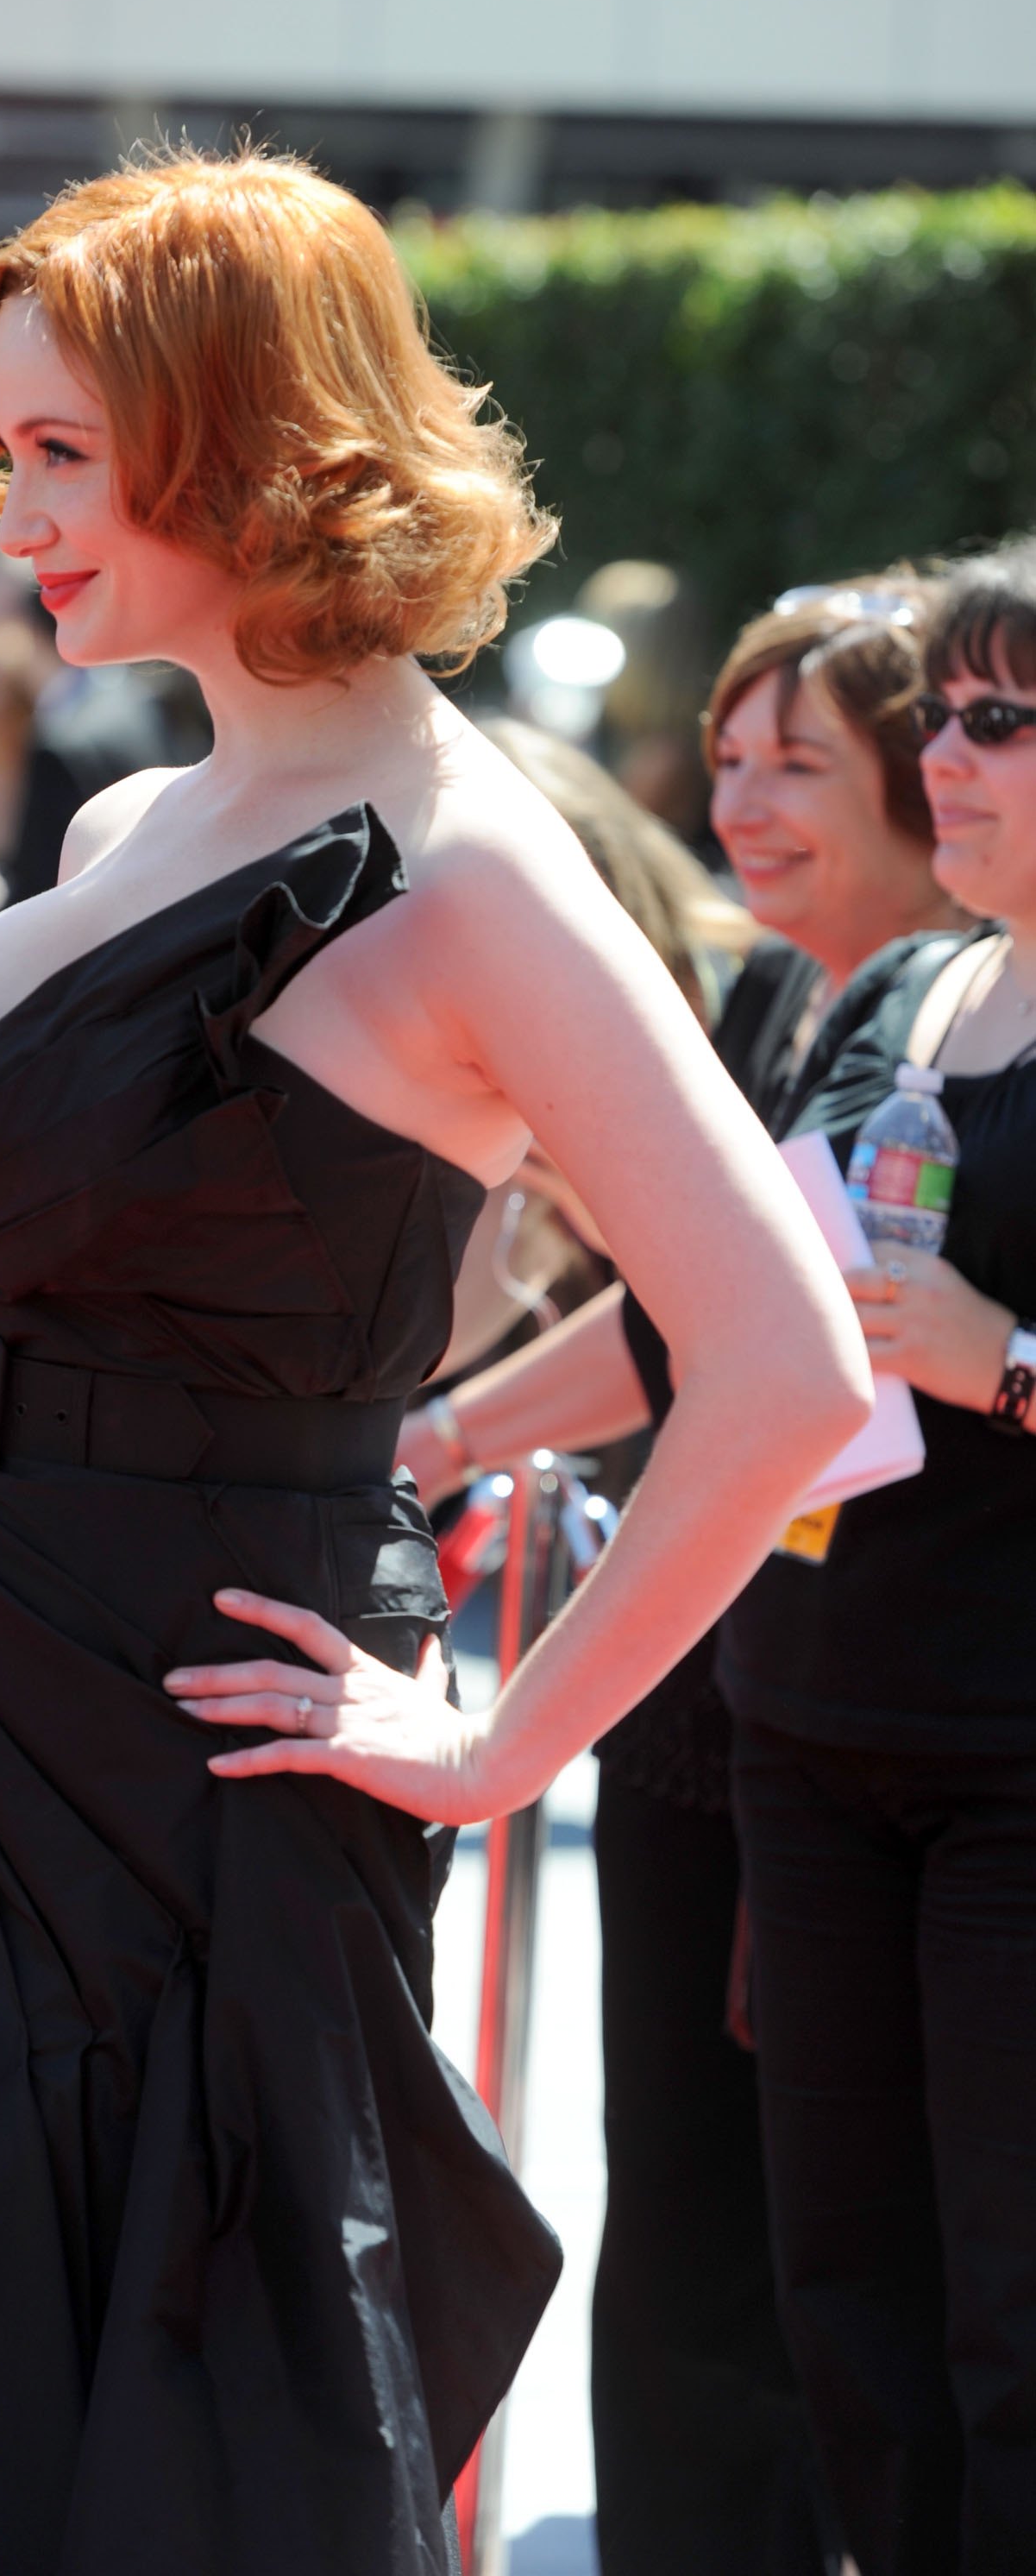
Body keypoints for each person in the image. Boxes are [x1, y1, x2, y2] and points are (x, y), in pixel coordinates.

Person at [0, 151, 868, 2576]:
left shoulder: (467, 871)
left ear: (242, 433)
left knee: (78, 2454)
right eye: (0, 450)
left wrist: (485, 1747)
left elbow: (777, 1358)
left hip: (183, 1759)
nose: (10, 509)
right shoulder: (142, 801)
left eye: (59, 450)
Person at [403, 579, 958, 2576]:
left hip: (878, 1696)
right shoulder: (774, 995)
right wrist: (456, 1428)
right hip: (725, 1678)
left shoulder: (946, 1014)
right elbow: (675, 1307)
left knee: (827, 2230)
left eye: (797, 760)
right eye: (724, 755)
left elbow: (766, 1323)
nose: (740, 798)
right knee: (704, 2211)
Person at [716, 543, 1036, 2576]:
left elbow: (958, 1346)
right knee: (840, 2284)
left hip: (1017, 1753)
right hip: (807, 1718)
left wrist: (1005, 1363)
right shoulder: (900, 979)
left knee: (1011, 2299)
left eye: (999, 720)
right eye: (942, 716)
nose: (953, 754)